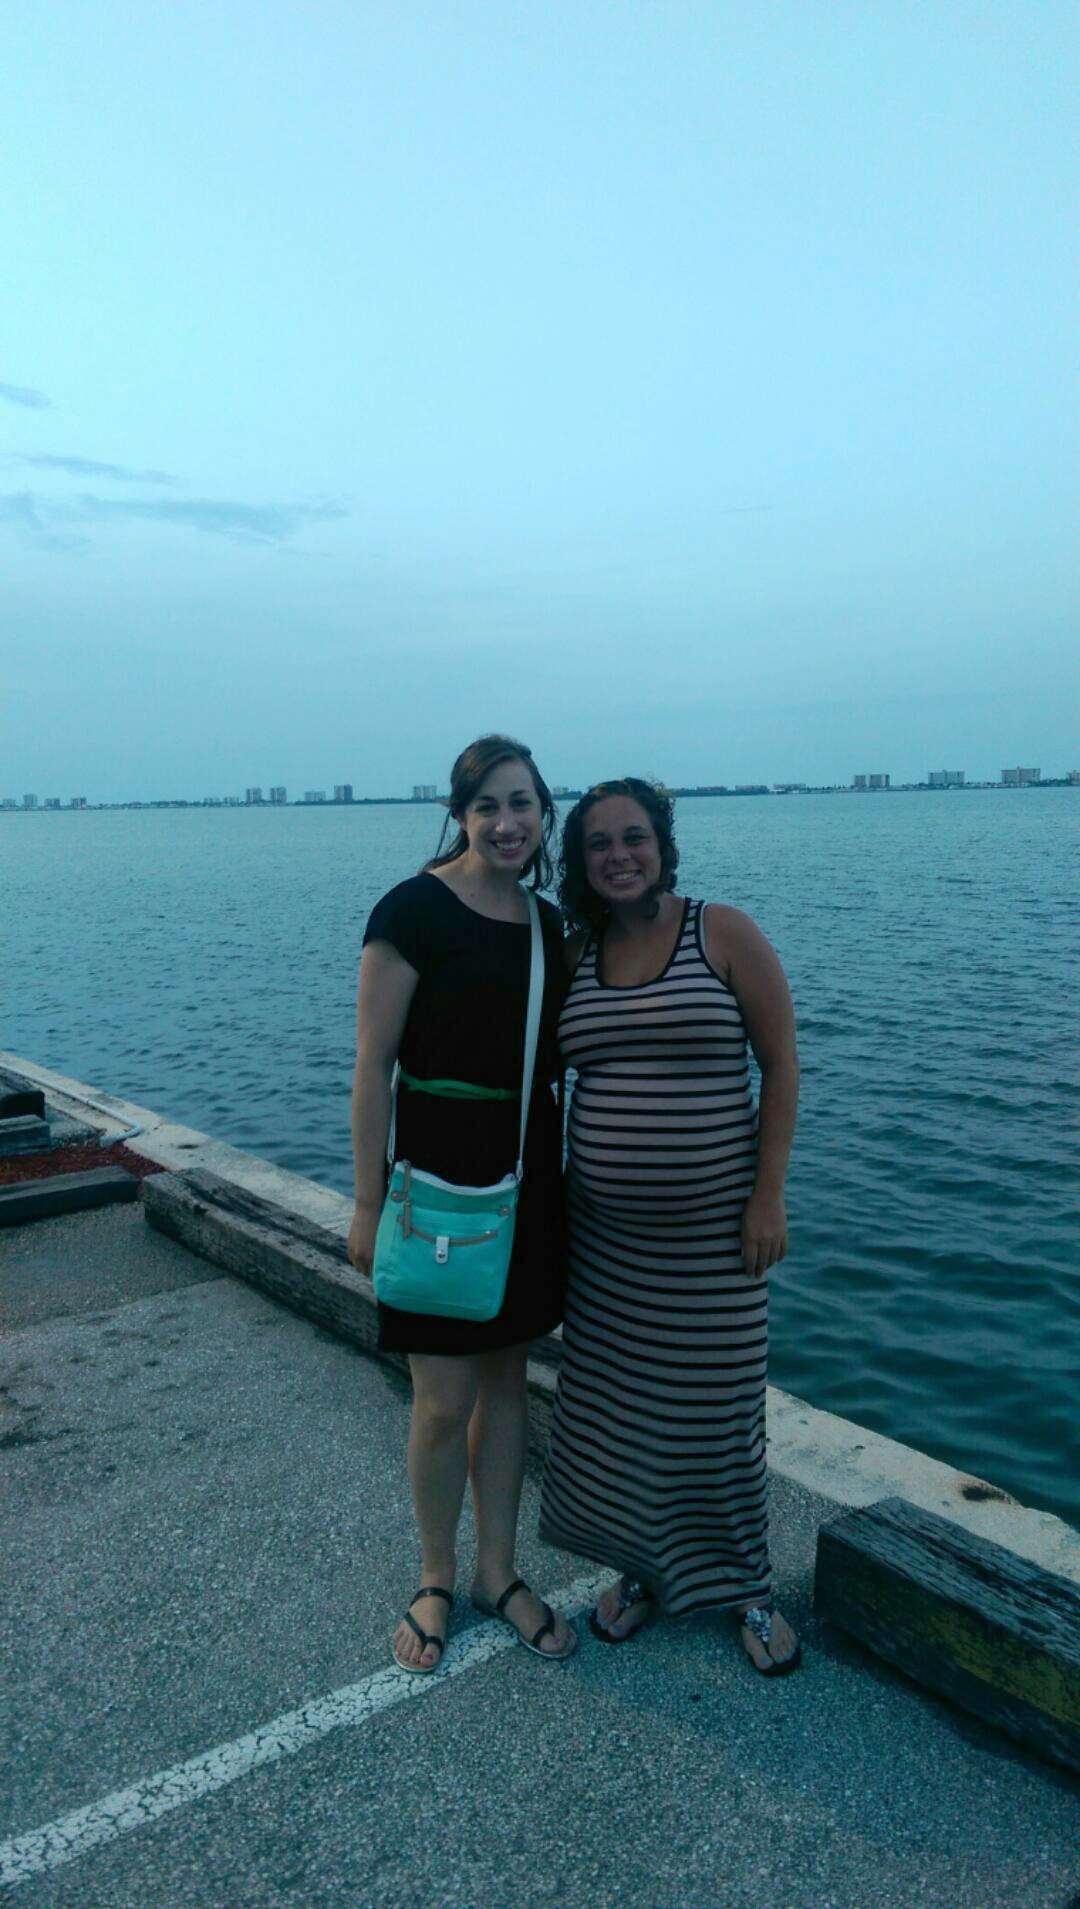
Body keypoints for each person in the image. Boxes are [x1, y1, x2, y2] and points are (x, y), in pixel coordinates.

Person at [539, 777, 801, 1675]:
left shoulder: (720, 932)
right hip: (605, 1248)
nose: (619, 854)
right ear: (580, 861)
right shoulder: (576, 952)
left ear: (663, 845)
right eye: (599, 842)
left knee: (719, 1414)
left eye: (635, 837)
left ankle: (748, 1587)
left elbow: (781, 1064)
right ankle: (645, 1569)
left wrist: (768, 1196)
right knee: (623, 1414)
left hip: (716, 1240)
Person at [348, 735, 577, 1672]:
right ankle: (436, 1574)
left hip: (527, 1173)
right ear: (460, 814)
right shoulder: (411, 909)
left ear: (544, 813)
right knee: (442, 1398)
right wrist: (367, 1202)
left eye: (522, 803)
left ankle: (497, 1570)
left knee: (508, 1385)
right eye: (488, 805)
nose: (507, 822)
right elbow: (372, 1066)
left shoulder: (551, 925)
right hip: (434, 1182)